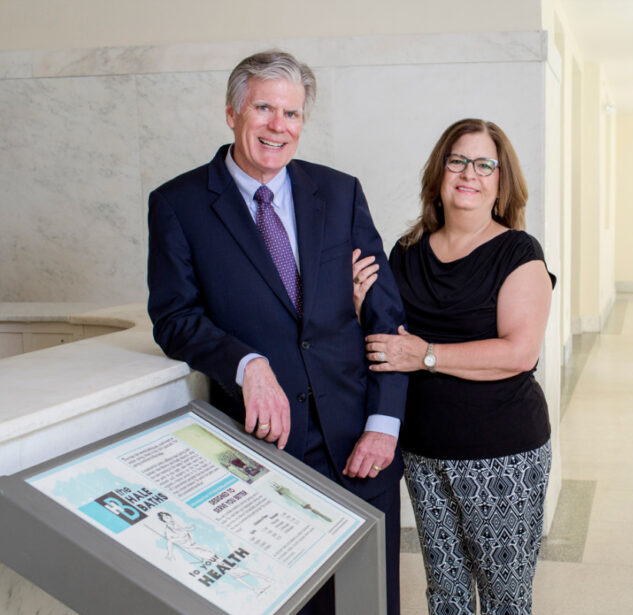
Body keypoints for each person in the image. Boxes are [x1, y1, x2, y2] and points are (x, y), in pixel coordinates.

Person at [147, 50, 407, 615]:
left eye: (291, 115)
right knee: (288, 601)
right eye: (264, 108)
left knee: (372, 601)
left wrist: (385, 424)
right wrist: (246, 363)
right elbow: (174, 317)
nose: (278, 126)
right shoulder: (179, 204)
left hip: (362, 442)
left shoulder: (339, 193)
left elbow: (386, 314)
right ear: (232, 113)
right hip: (263, 445)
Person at [354, 118, 554, 615]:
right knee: (445, 596)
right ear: (440, 174)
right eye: (458, 161)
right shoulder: (406, 253)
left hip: (502, 453)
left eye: (485, 164)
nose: (470, 173)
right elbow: (389, 344)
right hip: (424, 453)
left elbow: (519, 352)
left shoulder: (518, 253)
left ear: (501, 181)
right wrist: (361, 308)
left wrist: (427, 354)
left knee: (504, 600)